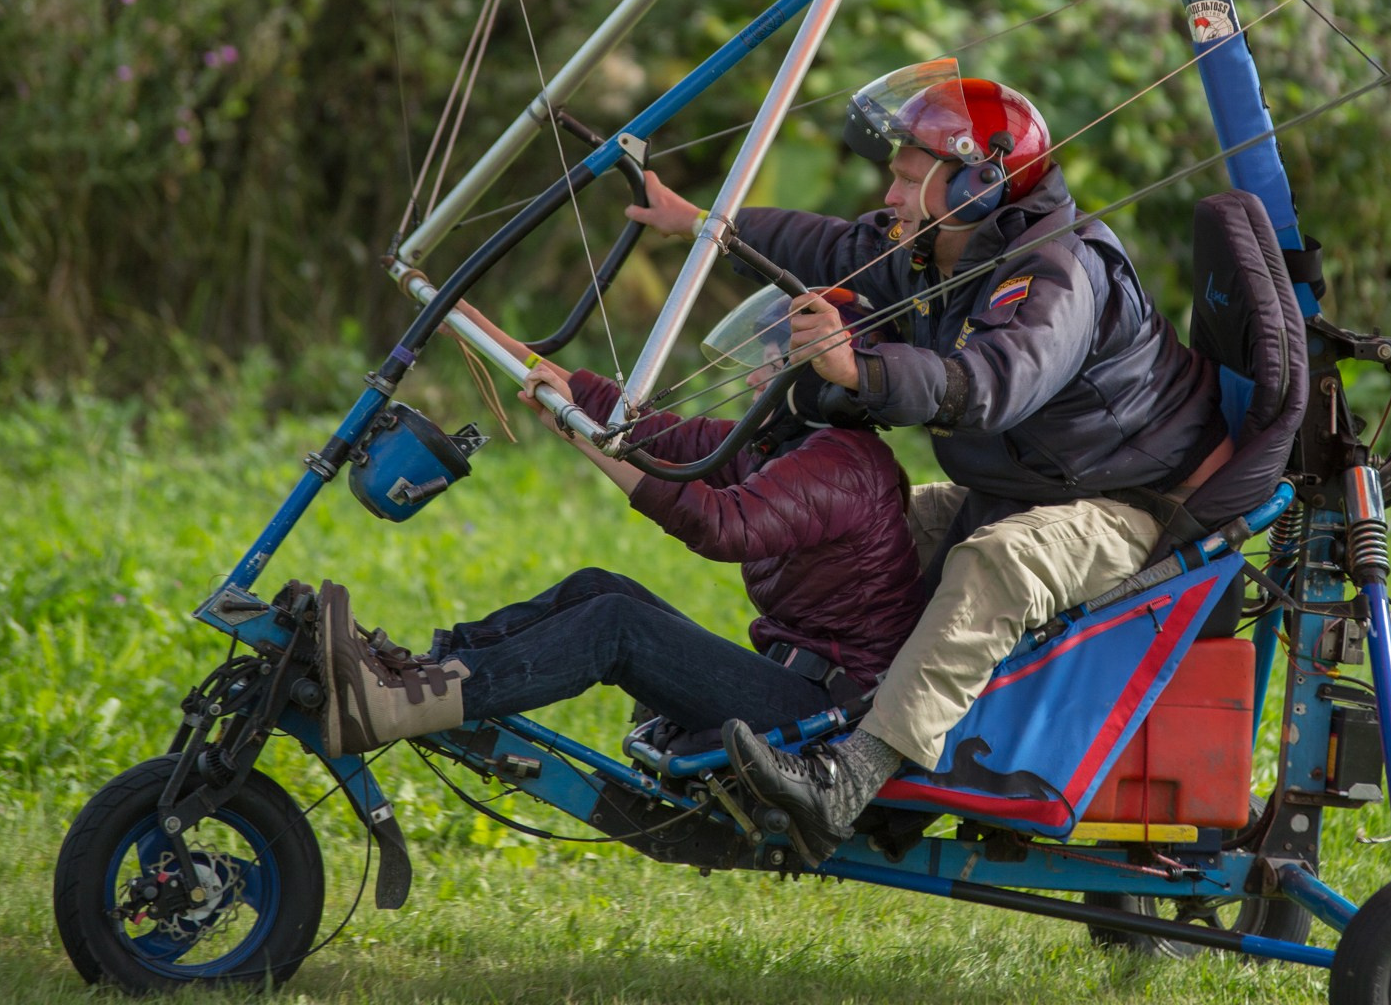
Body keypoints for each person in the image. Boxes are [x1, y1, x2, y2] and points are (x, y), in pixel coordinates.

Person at [622, 60, 1233, 863]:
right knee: (875, 531)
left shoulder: (1057, 271)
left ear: (977, 187)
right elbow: (831, 247)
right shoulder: (934, 244)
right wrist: (706, 222)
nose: (890, 196)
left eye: (909, 180)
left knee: (995, 564)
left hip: (1132, 504)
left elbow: (991, 387)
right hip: (1022, 486)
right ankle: (791, 716)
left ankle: (855, 776)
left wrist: (859, 372)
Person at [317, 287, 925, 759]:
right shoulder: (780, 442)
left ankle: (395, 706)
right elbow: (657, 432)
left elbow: (722, 526)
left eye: (772, 363)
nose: (753, 376)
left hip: (826, 715)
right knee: (597, 588)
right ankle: (423, 672)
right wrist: (466, 317)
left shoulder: (844, 464)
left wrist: (592, 446)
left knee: (616, 625)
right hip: (789, 679)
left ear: (821, 383)